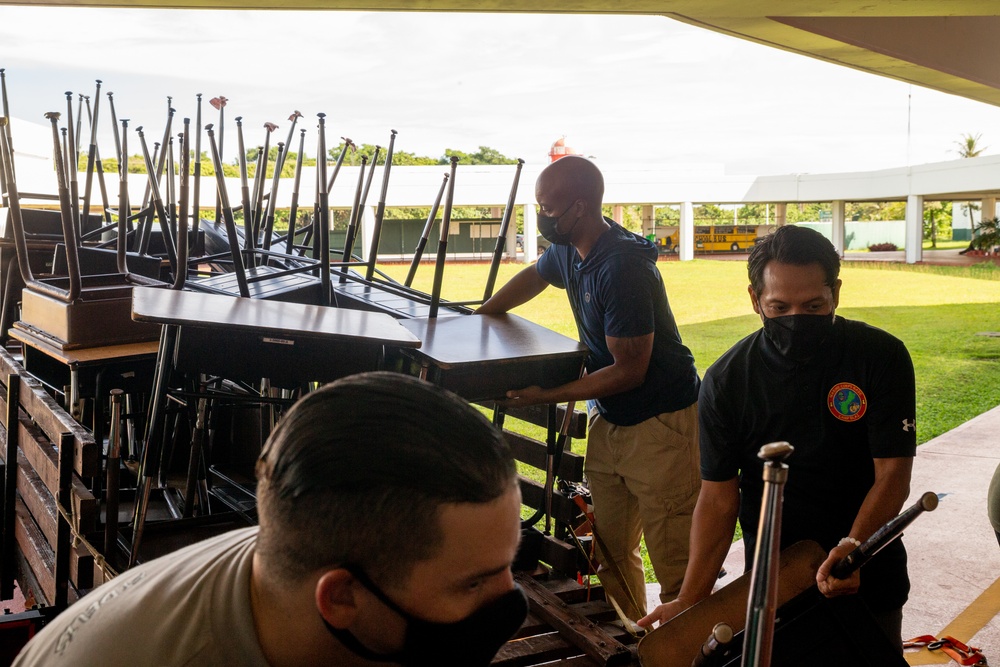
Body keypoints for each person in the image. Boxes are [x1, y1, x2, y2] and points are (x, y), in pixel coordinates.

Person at [14, 372, 527, 667]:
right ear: (342, 597)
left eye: (509, 565)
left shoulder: (299, 561)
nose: (510, 602)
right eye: (474, 583)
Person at [638, 225, 916, 651]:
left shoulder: (880, 357)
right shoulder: (727, 381)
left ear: (836, 292)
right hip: (773, 589)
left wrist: (854, 547)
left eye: (813, 305)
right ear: (755, 299)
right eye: (779, 306)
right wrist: (690, 601)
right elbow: (717, 499)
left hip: (868, 576)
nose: (795, 320)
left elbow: (893, 473)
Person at [478, 155, 701, 619]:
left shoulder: (621, 268)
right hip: (612, 417)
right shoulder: (568, 250)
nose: (542, 218)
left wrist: (545, 396)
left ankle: (685, 648)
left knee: (677, 565)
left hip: (660, 426)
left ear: (579, 208)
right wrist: (481, 315)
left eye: (548, 208)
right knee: (613, 556)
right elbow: (534, 277)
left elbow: (630, 370)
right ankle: (637, 645)